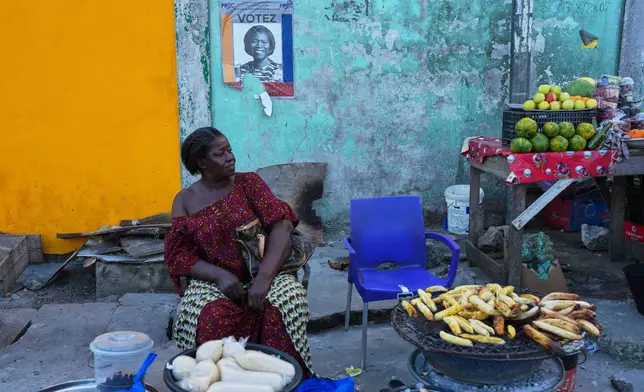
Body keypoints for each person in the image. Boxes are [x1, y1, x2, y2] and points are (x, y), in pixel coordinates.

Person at [165, 127, 313, 375]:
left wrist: (264, 279)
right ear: (202, 162)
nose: (230, 157)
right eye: (220, 153)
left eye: (229, 150)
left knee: (283, 306)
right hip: (215, 281)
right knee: (209, 317)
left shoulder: (248, 183)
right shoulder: (185, 200)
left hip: (267, 271)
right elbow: (179, 255)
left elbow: (281, 226)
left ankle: (283, 378)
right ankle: (219, 379)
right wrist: (219, 275)